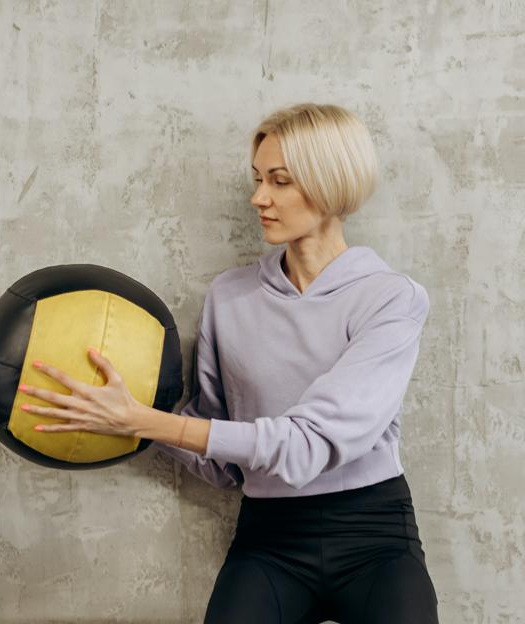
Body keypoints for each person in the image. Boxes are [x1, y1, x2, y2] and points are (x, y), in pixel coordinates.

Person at [151, 103, 440, 623]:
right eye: (258, 178)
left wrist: (149, 422)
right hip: (269, 539)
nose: (258, 197)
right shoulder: (229, 297)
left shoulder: (391, 299)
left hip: (372, 536)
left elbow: (308, 445)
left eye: (279, 181)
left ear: (331, 185)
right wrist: (127, 417)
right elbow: (222, 462)